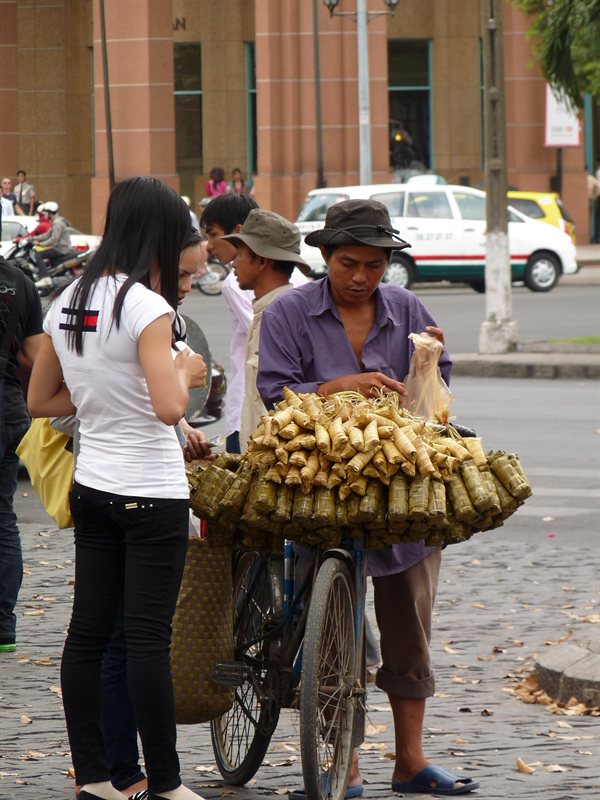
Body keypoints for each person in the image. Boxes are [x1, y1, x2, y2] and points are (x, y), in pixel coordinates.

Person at [257, 199, 480, 797]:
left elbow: (438, 392)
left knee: (410, 628)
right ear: (325, 258)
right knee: (330, 631)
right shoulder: (290, 314)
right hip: (319, 489)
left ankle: (410, 761)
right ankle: (343, 765)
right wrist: (338, 388)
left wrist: (428, 362)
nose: (362, 276)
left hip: (404, 497)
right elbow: (275, 393)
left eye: (375, 265)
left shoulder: (406, 307)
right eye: (349, 263)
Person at [27, 176, 208, 800]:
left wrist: (102, 395)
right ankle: (166, 784)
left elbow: (40, 400)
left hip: (93, 487)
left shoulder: (71, 297)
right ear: (159, 232)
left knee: (86, 637)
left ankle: (98, 779)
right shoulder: (147, 307)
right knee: (147, 643)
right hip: (152, 492)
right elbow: (168, 407)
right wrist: (185, 369)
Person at [200, 193, 308, 453]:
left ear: (261, 260)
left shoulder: (261, 305)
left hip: (261, 421)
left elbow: (268, 362)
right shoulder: (301, 289)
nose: (209, 245)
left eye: (212, 234)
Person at [0, 256, 43, 654]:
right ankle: (4, 629)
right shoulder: (18, 279)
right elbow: (34, 354)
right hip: (10, 408)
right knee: (3, 518)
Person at [32, 200, 74, 284]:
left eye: (45, 213)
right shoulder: (55, 222)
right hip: (59, 248)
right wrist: (33, 238)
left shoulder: (57, 223)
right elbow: (47, 235)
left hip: (61, 249)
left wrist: (40, 244)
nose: (44, 215)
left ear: (50, 213)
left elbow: (54, 239)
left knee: (39, 254)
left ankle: (45, 278)